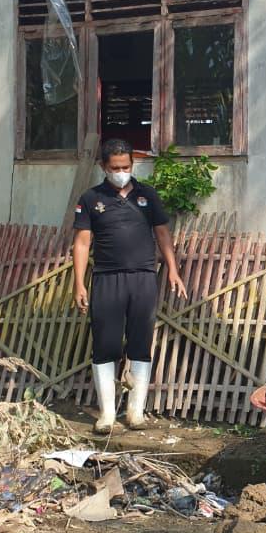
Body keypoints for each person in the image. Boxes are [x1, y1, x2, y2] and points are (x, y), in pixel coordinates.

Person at [73, 139, 189, 434]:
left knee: (140, 341)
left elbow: (163, 235)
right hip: (106, 278)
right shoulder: (90, 199)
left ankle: (135, 412)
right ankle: (107, 415)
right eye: (115, 168)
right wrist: (78, 284)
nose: (121, 172)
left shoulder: (147, 195)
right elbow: (82, 243)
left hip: (143, 277)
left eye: (126, 166)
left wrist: (173, 270)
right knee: (105, 344)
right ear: (103, 167)